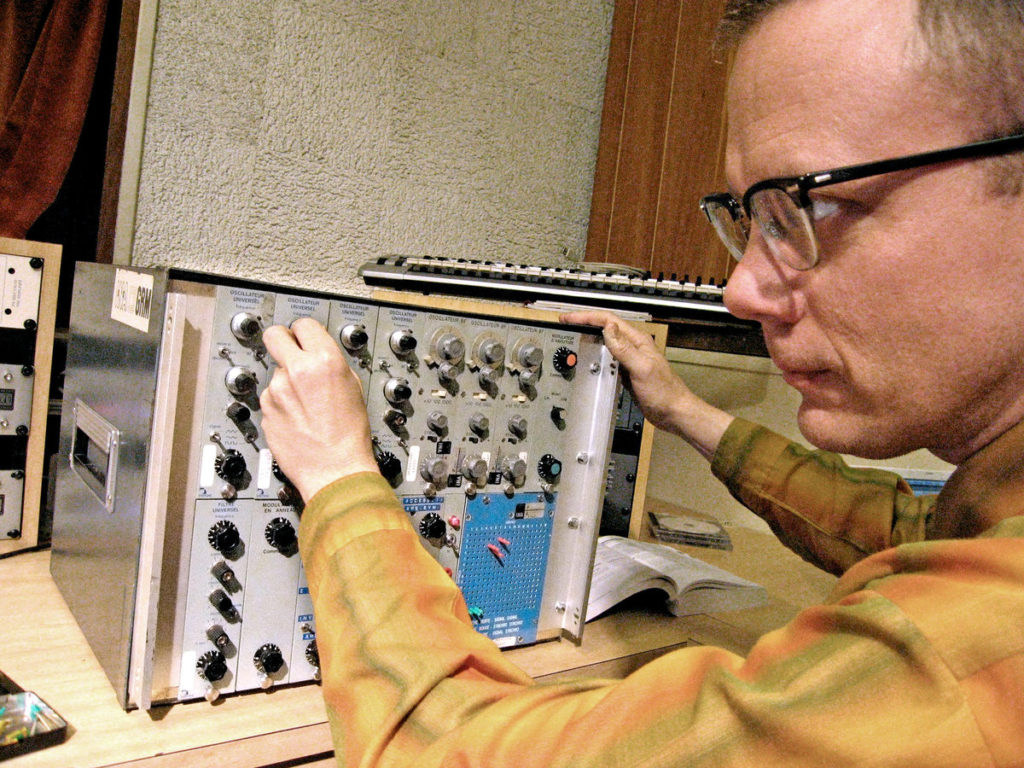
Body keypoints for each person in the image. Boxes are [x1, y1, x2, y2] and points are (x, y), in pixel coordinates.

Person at [259, 0, 1024, 764]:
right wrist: (683, 410)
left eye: (811, 205)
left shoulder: (981, 639)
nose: (741, 291)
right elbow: (909, 528)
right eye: (752, 218)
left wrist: (340, 480)